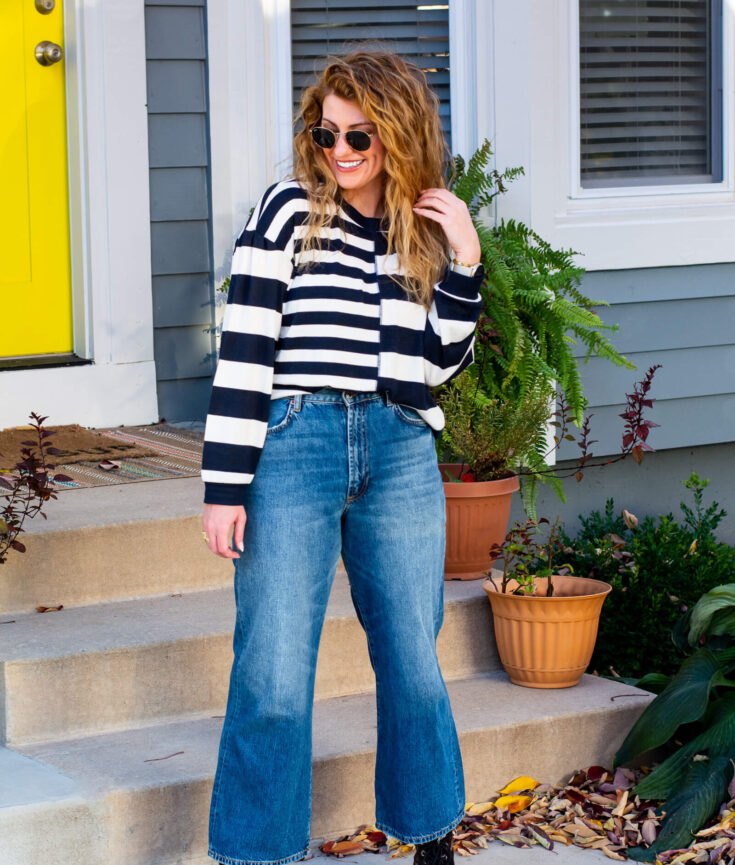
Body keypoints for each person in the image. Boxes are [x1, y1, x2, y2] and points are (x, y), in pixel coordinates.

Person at [201, 49, 484, 865]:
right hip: (296, 441)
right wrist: (226, 484)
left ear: (397, 131)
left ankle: (428, 832)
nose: (341, 151)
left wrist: (462, 261)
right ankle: (257, 851)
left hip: (399, 446)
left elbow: (439, 366)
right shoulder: (289, 211)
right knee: (275, 664)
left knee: (412, 656)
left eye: (360, 135)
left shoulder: (420, 231)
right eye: (325, 134)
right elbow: (246, 349)